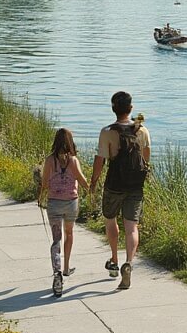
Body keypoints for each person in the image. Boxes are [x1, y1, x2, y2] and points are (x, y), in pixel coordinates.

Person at [88, 91, 151, 290]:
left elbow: (100, 160)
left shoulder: (107, 132)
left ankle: (114, 258)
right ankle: (129, 263)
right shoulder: (142, 130)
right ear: (130, 108)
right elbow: (146, 158)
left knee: (110, 220)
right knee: (132, 227)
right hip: (135, 185)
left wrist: (93, 182)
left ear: (113, 109)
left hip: (114, 183)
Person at [39, 128, 90, 297]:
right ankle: (67, 267)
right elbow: (82, 180)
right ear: (70, 142)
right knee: (69, 233)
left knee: (56, 239)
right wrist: (92, 191)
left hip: (54, 204)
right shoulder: (73, 161)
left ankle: (57, 273)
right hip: (71, 204)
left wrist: (40, 197)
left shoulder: (49, 161)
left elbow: (45, 183)